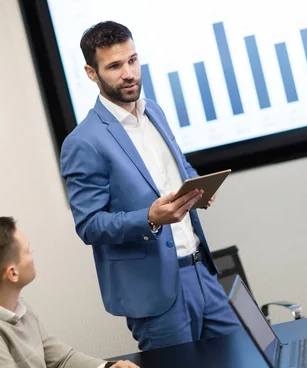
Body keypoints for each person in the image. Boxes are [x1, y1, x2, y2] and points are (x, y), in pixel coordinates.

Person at [60, 21, 242, 351]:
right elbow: (89, 226)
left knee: (241, 357)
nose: (128, 73)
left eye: (132, 60)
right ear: (91, 73)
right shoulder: (83, 142)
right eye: (114, 66)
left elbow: (177, 167)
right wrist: (150, 218)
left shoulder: (154, 110)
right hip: (156, 291)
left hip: (202, 270)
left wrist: (198, 190)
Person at [0, 216, 137, 368]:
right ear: (12, 273)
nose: (32, 253)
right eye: (27, 251)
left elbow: (61, 359)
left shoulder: (19, 307)